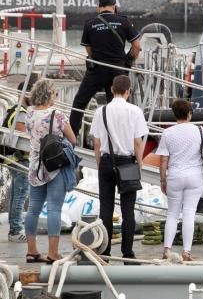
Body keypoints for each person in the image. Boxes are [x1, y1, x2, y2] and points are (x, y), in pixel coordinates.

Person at [90, 75, 148, 263]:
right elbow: (138, 142)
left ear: (112, 89)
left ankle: (105, 251)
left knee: (105, 208)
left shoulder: (101, 111)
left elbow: (97, 142)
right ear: (128, 91)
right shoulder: (135, 111)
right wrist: (140, 163)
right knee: (128, 209)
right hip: (127, 162)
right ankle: (128, 252)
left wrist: (100, 163)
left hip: (107, 161)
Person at [69, 0, 141, 136]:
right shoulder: (124, 21)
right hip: (118, 70)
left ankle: (72, 137)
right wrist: (127, 61)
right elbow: (137, 46)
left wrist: (93, 59)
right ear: (114, 7)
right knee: (118, 104)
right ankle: (121, 137)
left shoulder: (90, 23)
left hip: (97, 69)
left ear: (99, 7)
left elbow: (88, 50)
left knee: (80, 102)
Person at [23, 79, 78, 263]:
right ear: (49, 95)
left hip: (35, 166)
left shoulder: (29, 114)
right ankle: (53, 253)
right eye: (54, 93)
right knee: (54, 208)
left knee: (33, 209)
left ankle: (31, 251)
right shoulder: (58, 115)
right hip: (55, 167)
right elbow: (73, 139)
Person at [157, 99, 203, 262]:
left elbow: (163, 160)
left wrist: (163, 180)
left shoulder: (167, 133)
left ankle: (167, 249)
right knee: (189, 212)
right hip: (195, 176)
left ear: (174, 114)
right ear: (190, 113)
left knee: (172, 214)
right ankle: (186, 252)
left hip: (175, 176)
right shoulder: (200, 130)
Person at [4, 79, 33, 243]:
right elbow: (25, 141)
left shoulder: (12, 110)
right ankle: (15, 230)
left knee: (16, 195)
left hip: (13, 160)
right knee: (20, 196)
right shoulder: (20, 113)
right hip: (20, 160)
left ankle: (13, 229)